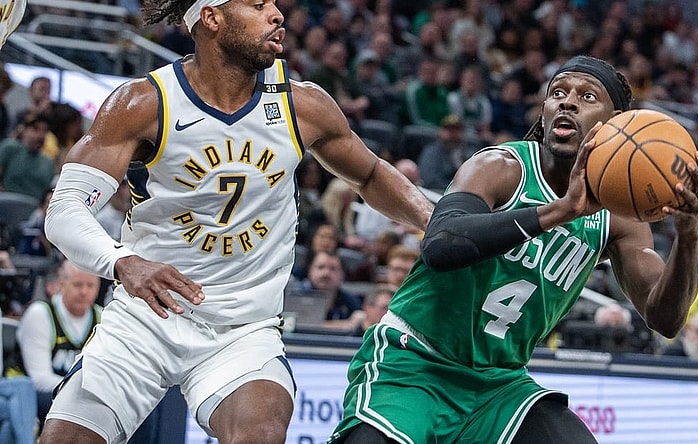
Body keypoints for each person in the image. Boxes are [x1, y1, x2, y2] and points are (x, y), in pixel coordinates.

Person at [39, 1, 432, 443]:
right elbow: (66, 208)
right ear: (212, 18)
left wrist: (433, 221)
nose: (278, 14)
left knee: (259, 434)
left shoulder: (302, 104)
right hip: (144, 318)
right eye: (258, 4)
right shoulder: (143, 103)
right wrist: (124, 262)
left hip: (243, 329)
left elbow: (371, 173)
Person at [330, 55, 698, 443]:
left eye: (587, 96)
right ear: (543, 113)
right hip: (415, 361)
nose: (568, 102)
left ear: (616, 125)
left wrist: (688, 235)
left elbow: (666, 318)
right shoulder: (502, 167)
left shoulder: (620, 218)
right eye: (557, 93)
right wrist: (557, 212)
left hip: (499, 385)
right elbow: (441, 245)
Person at [13, 260, 101, 429]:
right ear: (62, 284)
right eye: (77, 284)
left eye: (90, 285)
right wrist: (83, 393)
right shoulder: (40, 314)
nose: (84, 291)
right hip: (29, 396)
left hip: (74, 394)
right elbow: (39, 380)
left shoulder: (102, 316)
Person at [0, 112, 55, 200]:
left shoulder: (48, 162)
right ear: (23, 130)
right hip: (7, 204)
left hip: (34, 209)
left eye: (44, 131)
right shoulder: (10, 148)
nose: (40, 136)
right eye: (35, 129)